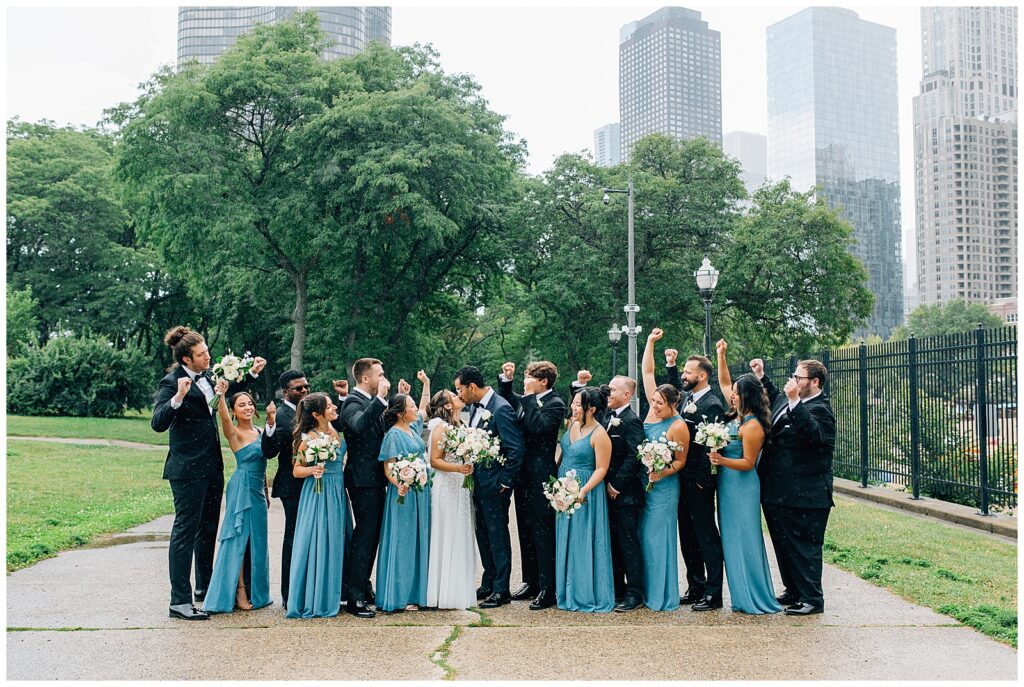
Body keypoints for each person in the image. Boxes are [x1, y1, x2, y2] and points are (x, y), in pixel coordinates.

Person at [151, 325, 265, 621]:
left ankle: (204, 588)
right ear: (187, 359)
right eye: (202, 354)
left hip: (213, 467)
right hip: (187, 470)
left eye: (207, 352)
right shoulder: (171, 382)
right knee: (185, 532)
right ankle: (179, 601)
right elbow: (158, 422)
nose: (208, 357)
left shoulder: (209, 377)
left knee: (208, 530)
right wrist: (177, 398)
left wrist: (250, 373)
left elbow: (230, 394)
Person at [750, 356, 836, 616]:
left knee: (804, 547)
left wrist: (795, 402)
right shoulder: (787, 401)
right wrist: (761, 375)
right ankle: (794, 590)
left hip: (806, 496)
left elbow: (814, 437)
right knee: (784, 544)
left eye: (799, 377)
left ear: (814, 382)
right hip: (780, 491)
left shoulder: (820, 409)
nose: (794, 380)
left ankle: (812, 598)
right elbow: (775, 395)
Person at [707, 340, 781, 614]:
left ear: (747, 395)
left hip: (742, 487)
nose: (732, 395)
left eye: (737, 393)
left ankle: (753, 596)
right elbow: (725, 382)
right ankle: (739, 596)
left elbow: (749, 463)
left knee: (745, 538)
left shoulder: (752, 426)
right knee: (730, 538)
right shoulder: (737, 417)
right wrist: (721, 356)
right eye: (733, 393)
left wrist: (720, 459)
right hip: (727, 487)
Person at [454, 365, 525, 609]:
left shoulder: (500, 409)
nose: (459, 394)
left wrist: (504, 482)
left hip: (495, 486)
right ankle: (489, 580)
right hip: (478, 484)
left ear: (472, 386)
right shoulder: (474, 408)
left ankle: (501, 589)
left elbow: (515, 449)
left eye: (460, 389)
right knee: (483, 534)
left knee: (497, 535)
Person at [497, 360, 565, 610]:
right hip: (522, 476)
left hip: (542, 476)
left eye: (529, 377)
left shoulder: (555, 404)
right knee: (524, 529)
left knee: (542, 531)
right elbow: (506, 397)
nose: (526, 382)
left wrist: (526, 397)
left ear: (543, 381)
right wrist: (507, 379)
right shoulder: (526, 399)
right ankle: (531, 581)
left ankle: (548, 588)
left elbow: (538, 429)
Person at [202, 383, 272, 613]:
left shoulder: (261, 432)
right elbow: (222, 418)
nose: (247, 407)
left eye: (250, 403)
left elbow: (263, 464)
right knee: (237, 539)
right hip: (241, 488)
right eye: (241, 405)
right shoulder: (234, 432)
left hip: (259, 490)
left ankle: (259, 592)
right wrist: (220, 394)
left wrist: (266, 490)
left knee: (259, 541)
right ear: (234, 410)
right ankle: (238, 589)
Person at [665, 348, 725, 611]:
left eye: (687, 372)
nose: (683, 375)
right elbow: (672, 389)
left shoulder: (711, 404)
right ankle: (695, 585)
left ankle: (713, 593)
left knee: (705, 536)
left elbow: (714, 444)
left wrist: (703, 481)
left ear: (702, 376)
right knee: (687, 536)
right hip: (683, 479)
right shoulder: (689, 397)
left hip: (699, 483)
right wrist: (670, 365)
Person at [638, 328, 690, 612]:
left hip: (664, 487)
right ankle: (646, 591)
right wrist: (649, 342)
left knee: (658, 539)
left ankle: (662, 594)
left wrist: (662, 472)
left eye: (659, 403)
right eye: (654, 401)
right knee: (644, 537)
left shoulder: (678, 426)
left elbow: (680, 462)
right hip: (647, 484)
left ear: (672, 404)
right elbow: (647, 373)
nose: (654, 406)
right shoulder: (652, 412)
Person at [286, 393, 350, 618]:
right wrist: (312, 470)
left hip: (337, 491)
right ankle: (316, 597)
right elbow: (296, 470)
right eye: (330, 406)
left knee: (336, 540)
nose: (334, 408)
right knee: (319, 541)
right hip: (318, 493)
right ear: (316, 414)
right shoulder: (308, 438)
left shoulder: (337, 433)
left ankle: (334, 592)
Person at [553, 386, 615, 612]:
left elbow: (601, 469)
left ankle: (585, 593)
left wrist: (583, 491)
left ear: (592, 409)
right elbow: (563, 455)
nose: (573, 407)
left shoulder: (600, 435)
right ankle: (566, 591)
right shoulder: (571, 425)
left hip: (586, 492)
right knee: (566, 539)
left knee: (583, 540)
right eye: (574, 403)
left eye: (578, 405)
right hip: (564, 488)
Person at [375, 372, 432, 612]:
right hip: (403, 492)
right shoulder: (393, 435)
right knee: (404, 540)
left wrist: (426, 384)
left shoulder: (412, 428)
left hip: (421, 491)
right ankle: (400, 593)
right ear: (400, 412)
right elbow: (388, 467)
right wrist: (400, 483)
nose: (414, 408)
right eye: (409, 405)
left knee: (420, 538)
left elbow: (424, 409)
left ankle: (418, 592)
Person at [339, 357, 391, 619]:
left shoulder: (371, 403)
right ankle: (355, 597)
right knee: (365, 537)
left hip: (374, 479)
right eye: (379, 375)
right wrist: (381, 400)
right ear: (364, 378)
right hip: (362, 480)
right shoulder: (352, 402)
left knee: (372, 537)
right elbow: (358, 426)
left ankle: (363, 586)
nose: (383, 379)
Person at [425, 389, 477, 610]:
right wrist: (459, 468)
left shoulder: (460, 426)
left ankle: (459, 588)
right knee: (447, 531)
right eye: (454, 397)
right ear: (447, 405)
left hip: (461, 486)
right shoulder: (440, 428)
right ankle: (443, 591)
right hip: (446, 484)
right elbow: (435, 461)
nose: (459, 397)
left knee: (461, 531)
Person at [261, 369, 309, 607]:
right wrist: (270, 425)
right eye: (299, 388)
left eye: (306, 387)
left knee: (307, 537)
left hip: (310, 482)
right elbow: (269, 452)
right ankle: (289, 593)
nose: (304, 391)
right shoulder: (280, 415)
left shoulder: (308, 412)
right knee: (292, 537)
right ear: (286, 392)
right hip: (291, 485)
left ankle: (306, 587)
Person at [602, 375, 647, 612]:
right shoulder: (608, 417)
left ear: (626, 395)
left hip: (626, 495)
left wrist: (616, 485)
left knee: (628, 543)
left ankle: (634, 593)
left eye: (612, 390)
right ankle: (617, 588)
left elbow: (634, 456)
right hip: (606, 492)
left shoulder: (632, 421)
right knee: (614, 543)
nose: (608, 393)